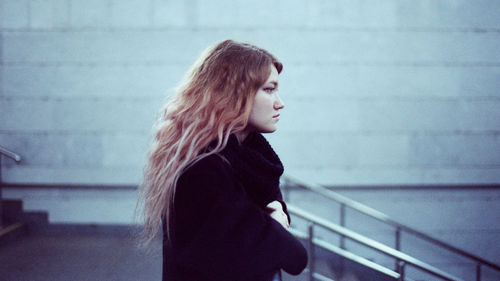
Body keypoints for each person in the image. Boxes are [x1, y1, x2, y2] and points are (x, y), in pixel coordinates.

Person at [136, 39, 307, 281]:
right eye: (269, 89)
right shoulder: (204, 170)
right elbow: (294, 257)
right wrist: (277, 227)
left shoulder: (251, 162)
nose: (280, 103)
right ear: (234, 93)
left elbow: (262, 220)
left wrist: (276, 214)